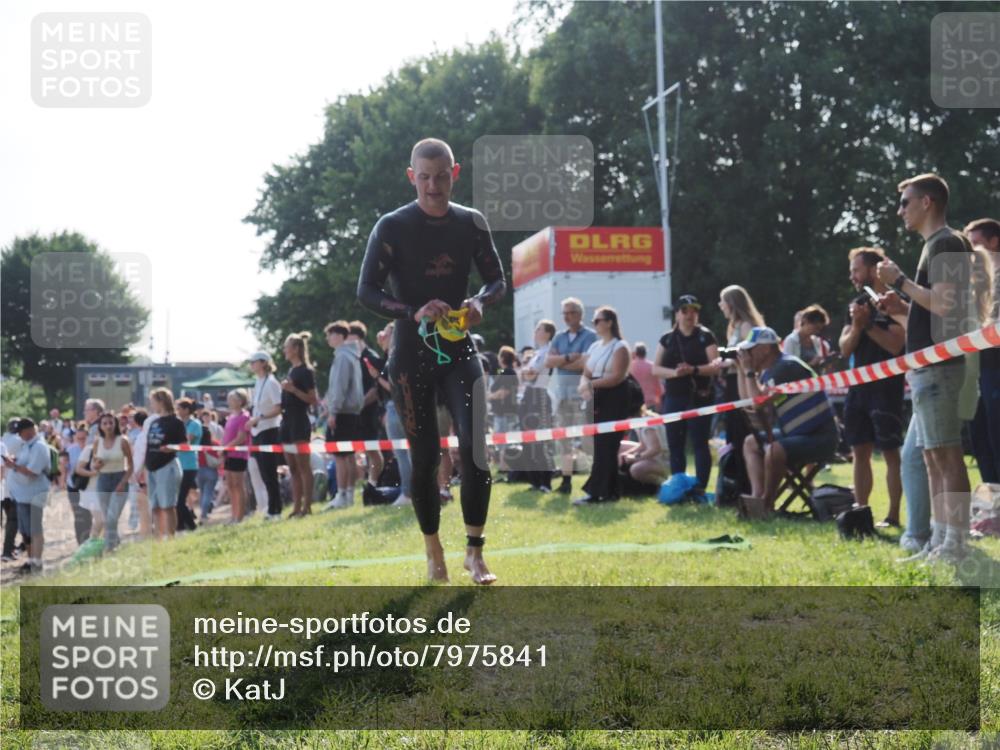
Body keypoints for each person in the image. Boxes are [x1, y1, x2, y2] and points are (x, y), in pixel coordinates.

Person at [357, 137, 506, 584]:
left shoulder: (471, 222)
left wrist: (479, 301)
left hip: (458, 346)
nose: (434, 186)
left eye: (442, 177)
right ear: (412, 177)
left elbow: (497, 280)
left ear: (454, 173)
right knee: (424, 458)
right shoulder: (392, 226)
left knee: (475, 450)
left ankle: (474, 552)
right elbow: (366, 291)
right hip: (410, 353)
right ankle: (433, 550)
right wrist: (412, 311)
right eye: (424, 178)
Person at [877, 173, 975, 562]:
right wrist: (902, 307)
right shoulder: (935, 244)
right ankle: (939, 541)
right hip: (927, 365)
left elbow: (946, 305)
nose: (899, 210)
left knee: (946, 455)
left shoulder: (946, 242)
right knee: (933, 456)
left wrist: (900, 281)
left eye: (905, 202)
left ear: (927, 202)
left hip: (940, 366)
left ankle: (956, 543)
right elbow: (934, 307)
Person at [734, 327, 839, 514]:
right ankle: (757, 498)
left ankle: (766, 503)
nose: (747, 355)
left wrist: (749, 371)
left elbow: (757, 403)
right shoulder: (772, 370)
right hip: (797, 433)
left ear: (765, 349)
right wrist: (741, 371)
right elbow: (749, 402)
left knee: (775, 450)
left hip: (821, 436)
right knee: (751, 443)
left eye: (750, 350)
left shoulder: (786, 367)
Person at [838, 246, 906, 527]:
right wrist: (857, 326)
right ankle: (861, 513)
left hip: (886, 390)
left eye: (856, 270)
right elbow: (844, 348)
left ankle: (893, 516)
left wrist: (868, 326)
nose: (852, 276)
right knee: (859, 453)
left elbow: (895, 345)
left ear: (871, 269)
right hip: (857, 390)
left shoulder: (895, 302)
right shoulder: (856, 305)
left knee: (890, 453)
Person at [651, 294, 720, 490]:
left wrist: (694, 370)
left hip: (700, 397)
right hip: (674, 397)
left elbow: (716, 367)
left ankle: (700, 489)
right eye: (685, 311)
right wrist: (675, 373)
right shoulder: (667, 339)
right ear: (677, 314)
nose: (690, 315)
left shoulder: (705, 336)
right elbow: (655, 369)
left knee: (700, 443)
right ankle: (678, 487)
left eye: (694, 311)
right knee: (675, 444)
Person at [573, 306, 631, 505]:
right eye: (594, 321)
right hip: (596, 398)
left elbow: (617, 377)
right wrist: (584, 386)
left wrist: (591, 385)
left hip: (614, 399)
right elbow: (586, 372)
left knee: (607, 445)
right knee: (599, 446)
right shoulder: (595, 347)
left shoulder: (620, 346)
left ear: (609, 323)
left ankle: (598, 492)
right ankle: (610, 491)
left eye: (598, 321)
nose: (594, 324)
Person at [714, 285, 766, 493]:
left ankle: (746, 486)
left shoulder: (746, 327)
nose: (720, 305)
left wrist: (728, 362)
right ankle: (736, 485)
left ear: (732, 304)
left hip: (741, 385)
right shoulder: (735, 327)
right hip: (733, 384)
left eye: (722, 301)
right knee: (733, 434)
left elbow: (748, 356)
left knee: (741, 432)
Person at [544, 297, 598, 495]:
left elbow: (586, 363)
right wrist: (569, 357)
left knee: (588, 440)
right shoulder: (559, 337)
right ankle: (566, 481)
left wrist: (562, 362)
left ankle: (595, 477)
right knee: (564, 439)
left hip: (583, 396)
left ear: (580, 314)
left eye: (571, 312)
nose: (567, 317)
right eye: (564, 313)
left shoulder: (591, 336)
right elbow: (548, 362)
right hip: (563, 396)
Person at [965, 218, 1000, 487]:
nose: (971, 252)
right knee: (979, 437)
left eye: (975, 244)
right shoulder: (973, 283)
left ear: (994, 242)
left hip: (995, 367)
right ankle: (992, 499)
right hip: (974, 368)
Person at [324, 320, 364, 510]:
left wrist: (333, 411)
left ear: (340, 336)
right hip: (351, 412)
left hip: (342, 412)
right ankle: (348, 494)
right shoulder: (351, 355)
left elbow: (340, 387)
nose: (328, 339)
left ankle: (342, 494)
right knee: (348, 455)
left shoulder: (342, 356)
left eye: (330, 335)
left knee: (340, 456)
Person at [4, 419, 52, 573]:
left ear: (30, 430)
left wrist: (14, 466)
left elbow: (33, 472)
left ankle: (37, 562)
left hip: (34, 493)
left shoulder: (39, 446)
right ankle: (31, 561)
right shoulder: (27, 445)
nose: (19, 435)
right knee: (25, 531)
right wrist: (14, 461)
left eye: (20, 432)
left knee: (35, 529)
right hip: (22, 494)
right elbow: (23, 463)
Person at [280, 332, 319, 516]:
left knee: (304, 467)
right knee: (293, 468)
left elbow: (313, 399)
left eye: (286, 347)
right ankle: (296, 507)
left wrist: (293, 389)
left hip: (299, 421)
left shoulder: (306, 371)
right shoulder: (290, 371)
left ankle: (307, 507)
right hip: (286, 422)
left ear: (295, 349)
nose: (284, 350)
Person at [519, 319, 557, 492]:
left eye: (539, 329)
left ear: (548, 333)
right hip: (528, 395)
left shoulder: (548, 351)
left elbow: (531, 374)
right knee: (527, 438)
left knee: (540, 439)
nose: (535, 332)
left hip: (539, 395)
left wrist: (527, 372)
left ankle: (545, 482)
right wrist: (526, 372)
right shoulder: (536, 353)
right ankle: (534, 480)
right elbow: (524, 375)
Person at [348, 321, 386, 497]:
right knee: (360, 450)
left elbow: (375, 388)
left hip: (371, 412)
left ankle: (373, 483)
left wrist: (360, 404)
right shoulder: (354, 358)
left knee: (373, 450)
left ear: (357, 337)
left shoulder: (370, 357)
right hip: (359, 413)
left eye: (348, 337)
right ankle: (365, 486)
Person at [144, 388, 187, 540]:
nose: (151, 405)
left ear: (161, 401)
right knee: (155, 506)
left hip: (167, 466)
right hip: (151, 467)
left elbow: (184, 444)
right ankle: (159, 537)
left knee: (167, 505)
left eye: (153, 401)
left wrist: (171, 448)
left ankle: (171, 537)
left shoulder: (176, 422)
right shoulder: (154, 422)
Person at [247, 351, 284, 521]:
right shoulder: (258, 381)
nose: (251, 365)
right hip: (258, 431)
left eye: (254, 362)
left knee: (270, 472)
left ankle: (276, 510)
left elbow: (278, 408)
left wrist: (259, 418)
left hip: (269, 430)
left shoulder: (271, 382)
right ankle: (271, 507)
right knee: (263, 473)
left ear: (263, 363)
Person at [92, 410, 134, 551]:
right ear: (100, 426)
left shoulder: (123, 441)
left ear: (115, 424)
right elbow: (94, 464)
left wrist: (122, 483)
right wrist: (97, 465)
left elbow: (131, 465)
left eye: (111, 423)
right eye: (105, 423)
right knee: (107, 519)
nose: (108, 426)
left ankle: (109, 548)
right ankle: (115, 543)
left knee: (111, 518)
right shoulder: (97, 441)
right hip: (103, 480)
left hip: (120, 478)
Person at [618, 405, 670, 494]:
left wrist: (634, 458)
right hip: (652, 458)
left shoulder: (648, 425)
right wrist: (626, 454)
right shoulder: (638, 422)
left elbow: (655, 449)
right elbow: (642, 445)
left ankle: (663, 484)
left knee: (636, 469)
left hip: (662, 460)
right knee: (620, 447)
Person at [221, 389, 252, 523]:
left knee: (238, 485)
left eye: (232, 399)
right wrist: (223, 449)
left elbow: (241, 437)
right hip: (228, 454)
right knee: (230, 485)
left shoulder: (244, 416)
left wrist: (226, 447)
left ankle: (239, 516)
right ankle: (233, 516)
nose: (229, 402)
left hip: (238, 454)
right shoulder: (231, 417)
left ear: (240, 401)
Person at [174, 398, 201, 532]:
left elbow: (185, 440)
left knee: (180, 499)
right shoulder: (179, 424)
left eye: (179, 408)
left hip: (189, 465)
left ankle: (191, 526)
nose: (177, 411)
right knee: (178, 498)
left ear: (186, 410)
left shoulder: (194, 424)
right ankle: (180, 526)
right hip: (179, 463)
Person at [63, 425, 92, 546]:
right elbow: (65, 467)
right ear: (75, 438)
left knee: (88, 515)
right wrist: (63, 481)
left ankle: (89, 539)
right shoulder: (70, 450)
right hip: (74, 486)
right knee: (79, 515)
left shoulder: (93, 449)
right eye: (79, 438)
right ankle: (81, 542)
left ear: (88, 437)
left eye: (83, 438)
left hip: (90, 487)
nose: (81, 441)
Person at [1, 419, 23, 562]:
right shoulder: (22, 441)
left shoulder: (3, 439)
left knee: (9, 520)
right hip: (13, 486)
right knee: (13, 520)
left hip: (4, 488)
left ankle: (10, 548)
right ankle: (8, 550)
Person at [196, 410, 221, 522]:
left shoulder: (196, 446)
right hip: (212, 471)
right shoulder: (215, 444)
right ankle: (204, 514)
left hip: (199, 470)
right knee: (208, 492)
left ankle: (203, 513)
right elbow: (221, 455)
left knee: (202, 492)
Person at [629, 343, 663, 410]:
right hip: (651, 402)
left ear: (635, 353)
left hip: (635, 403)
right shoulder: (652, 366)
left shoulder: (630, 367)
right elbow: (658, 386)